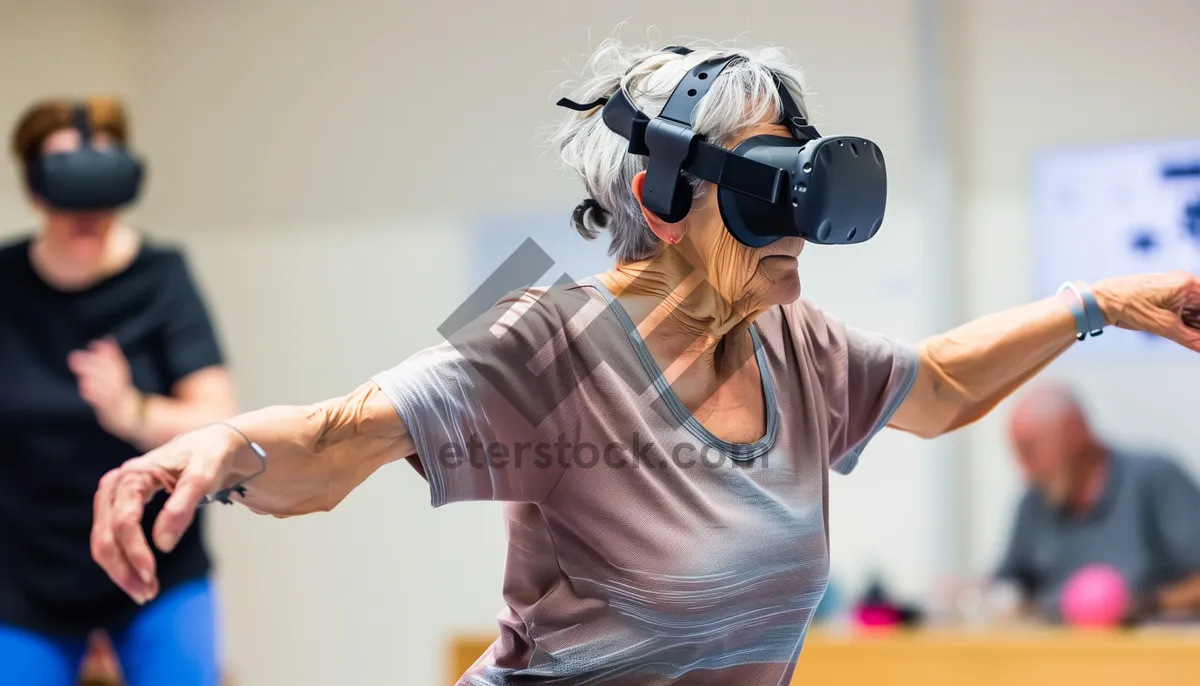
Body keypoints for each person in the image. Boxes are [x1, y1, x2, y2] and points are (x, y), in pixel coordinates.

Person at [90, 41, 1200, 686]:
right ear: (663, 203)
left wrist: (1102, 303)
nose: (798, 225)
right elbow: (334, 444)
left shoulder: (793, 343)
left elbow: (940, 382)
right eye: (767, 189)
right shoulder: (547, 342)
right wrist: (220, 443)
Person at [0, 96, 235, 685]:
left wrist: (133, 411)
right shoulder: (4, 284)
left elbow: (221, 421)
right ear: (34, 188)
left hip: (159, 567)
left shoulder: (161, 278)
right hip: (23, 581)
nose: (87, 209)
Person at [995, 384, 1200, 623]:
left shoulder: (1157, 479)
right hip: (1057, 651)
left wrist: (1149, 605)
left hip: (1148, 647)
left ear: (1074, 430)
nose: (1024, 468)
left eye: (1030, 450)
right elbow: (1007, 587)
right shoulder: (1034, 501)